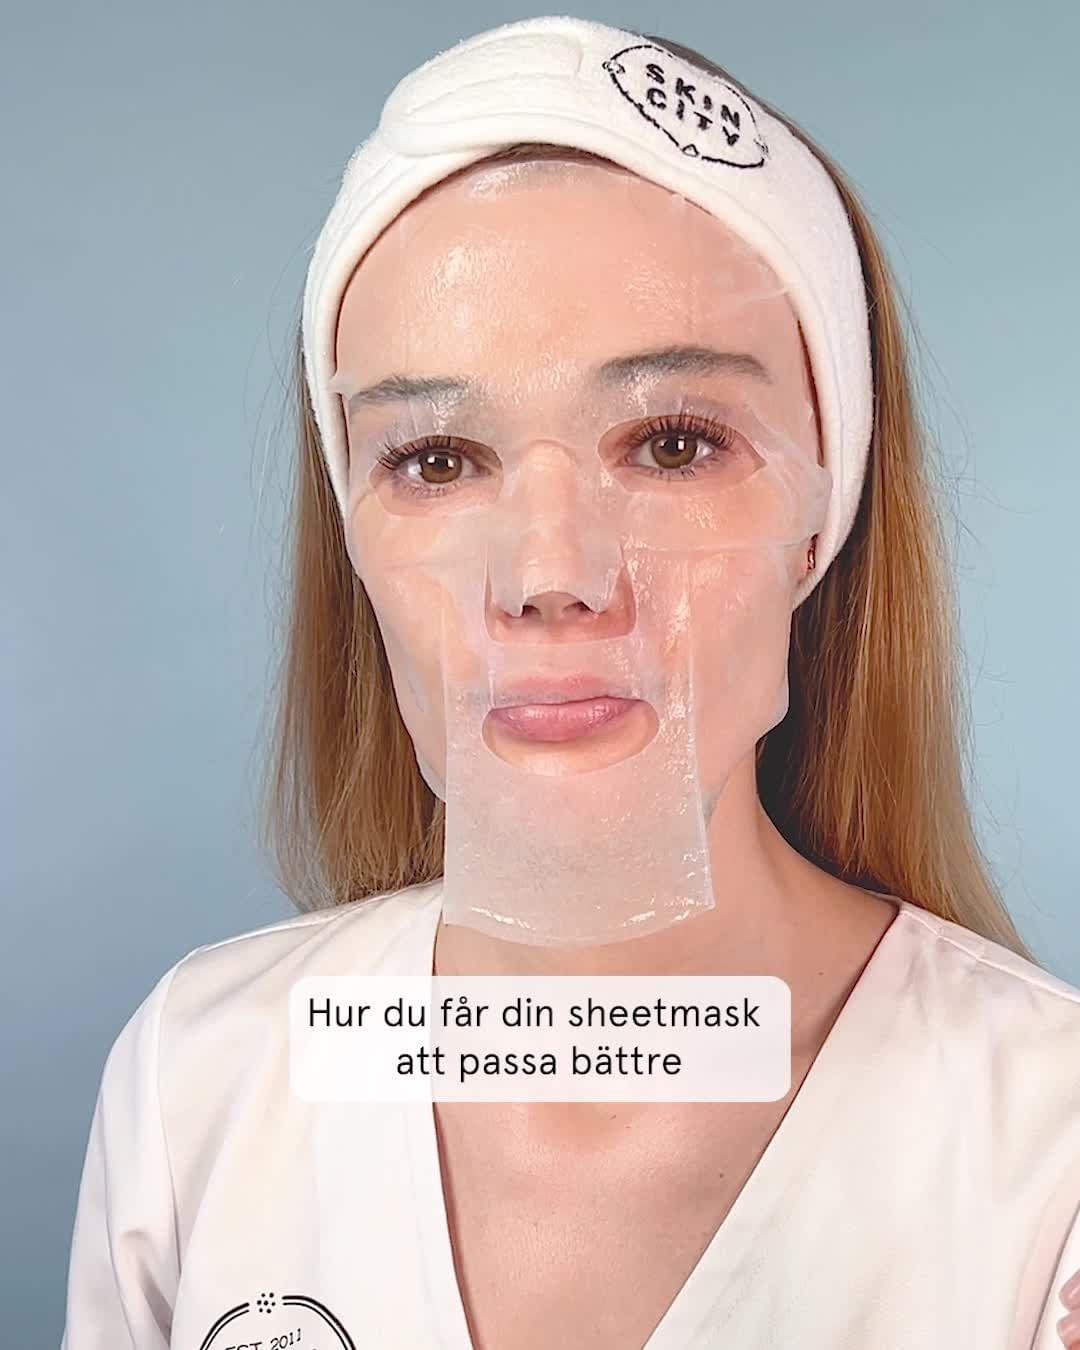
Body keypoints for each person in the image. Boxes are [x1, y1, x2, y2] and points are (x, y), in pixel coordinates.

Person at [60, 15, 1080, 1349]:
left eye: (673, 443)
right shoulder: (200, 1081)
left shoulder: (1044, 1155)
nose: (550, 573)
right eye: (435, 460)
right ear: (353, 536)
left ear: (821, 520)